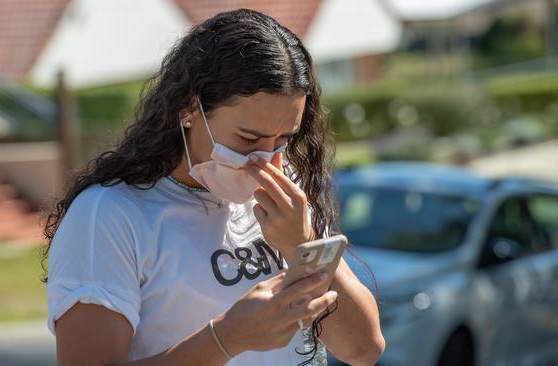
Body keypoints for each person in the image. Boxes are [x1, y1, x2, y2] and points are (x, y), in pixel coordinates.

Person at [41, 8, 384, 366]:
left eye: (283, 139)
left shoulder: (287, 198)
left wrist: (303, 242)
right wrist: (225, 339)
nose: (267, 160)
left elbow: (364, 349)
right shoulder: (109, 215)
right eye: (248, 138)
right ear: (189, 109)